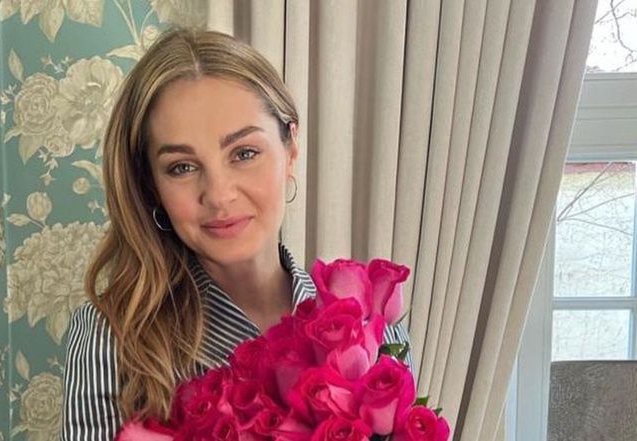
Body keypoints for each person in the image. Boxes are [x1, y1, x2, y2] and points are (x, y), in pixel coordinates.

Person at [60, 27, 412, 441]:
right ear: (151, 185)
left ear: (290, 149)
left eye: (244, 153)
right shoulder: (110, 337)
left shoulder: (372, 327)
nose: (219, 195)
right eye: (181, 167)